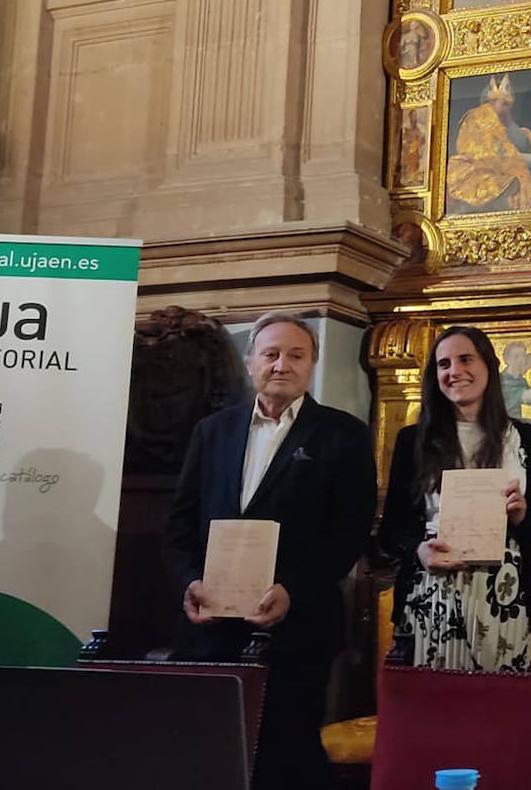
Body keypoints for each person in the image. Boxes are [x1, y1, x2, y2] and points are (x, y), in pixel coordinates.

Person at [165, 311, 378, 790]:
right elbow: (180, 523)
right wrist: (189, 581)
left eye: (296, 355)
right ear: (251, 363)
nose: (282, 364)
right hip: (211, 628)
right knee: (211, 755)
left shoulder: (343, 434)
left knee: (287, 757)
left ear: (311, 365)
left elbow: (348, 532)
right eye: (271, 354)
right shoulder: (212, 431)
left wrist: (291, 591)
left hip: (297, 627)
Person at [378, 327, 531, 671]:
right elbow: (391, 530)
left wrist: (523, 517)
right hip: (429, 591)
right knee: (429, 701)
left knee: (497, 701)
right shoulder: (412, 441)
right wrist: (419, 550)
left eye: (466, 359)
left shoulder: (530, 442)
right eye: (444, 364)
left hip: (505, 596)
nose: (455, 371)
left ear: (489, 367)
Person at [446, 75, 531, 213]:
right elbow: (490, 156)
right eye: (503, 103)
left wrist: (508, 121)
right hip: (477, 174)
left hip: (503, 170)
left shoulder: (504, 121)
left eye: (508, 105)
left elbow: (519, 144)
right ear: (490, 101)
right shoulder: (478, 119)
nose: (507, 107)